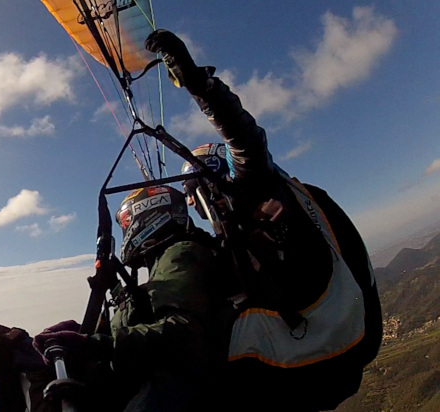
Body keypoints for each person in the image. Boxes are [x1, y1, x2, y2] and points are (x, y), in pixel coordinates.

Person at [146, 29, 383, 410]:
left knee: (187, 364)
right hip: (339, 345)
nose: (194, 203)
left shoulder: (256, 188)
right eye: (190, 198)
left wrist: (199, 84)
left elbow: (245, 138)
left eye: (196, 191)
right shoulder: (273, 205)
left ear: (215, 177)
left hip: (315, 355)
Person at [28, 185, 230, 411]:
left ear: (145, 218)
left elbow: (182, 333)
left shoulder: (180, 254)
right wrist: (86, 332)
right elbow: (149, 318)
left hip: (182, 386)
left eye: (126, 225)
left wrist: (94, 344)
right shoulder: (171, 260)